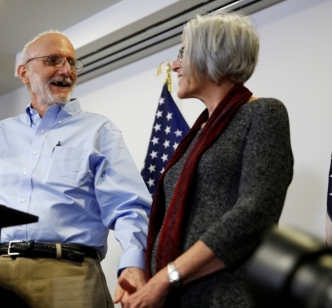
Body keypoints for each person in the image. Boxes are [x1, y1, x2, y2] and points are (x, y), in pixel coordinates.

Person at [0, 30, 151, 308]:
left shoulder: (100, 130)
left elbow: (129, 206)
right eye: (53, 60)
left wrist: (134, 263)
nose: (66, 70)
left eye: (72, 63)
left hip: (70, 277)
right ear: (25, 73)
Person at [119, 11, 294, 308]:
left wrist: (166, 278)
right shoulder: (196, 135)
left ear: (212, 52)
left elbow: (256, 213)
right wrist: (146, 277)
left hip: (225, 297)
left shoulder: (263, 113)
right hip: (178, 296)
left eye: (183, 52)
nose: (174, 65)